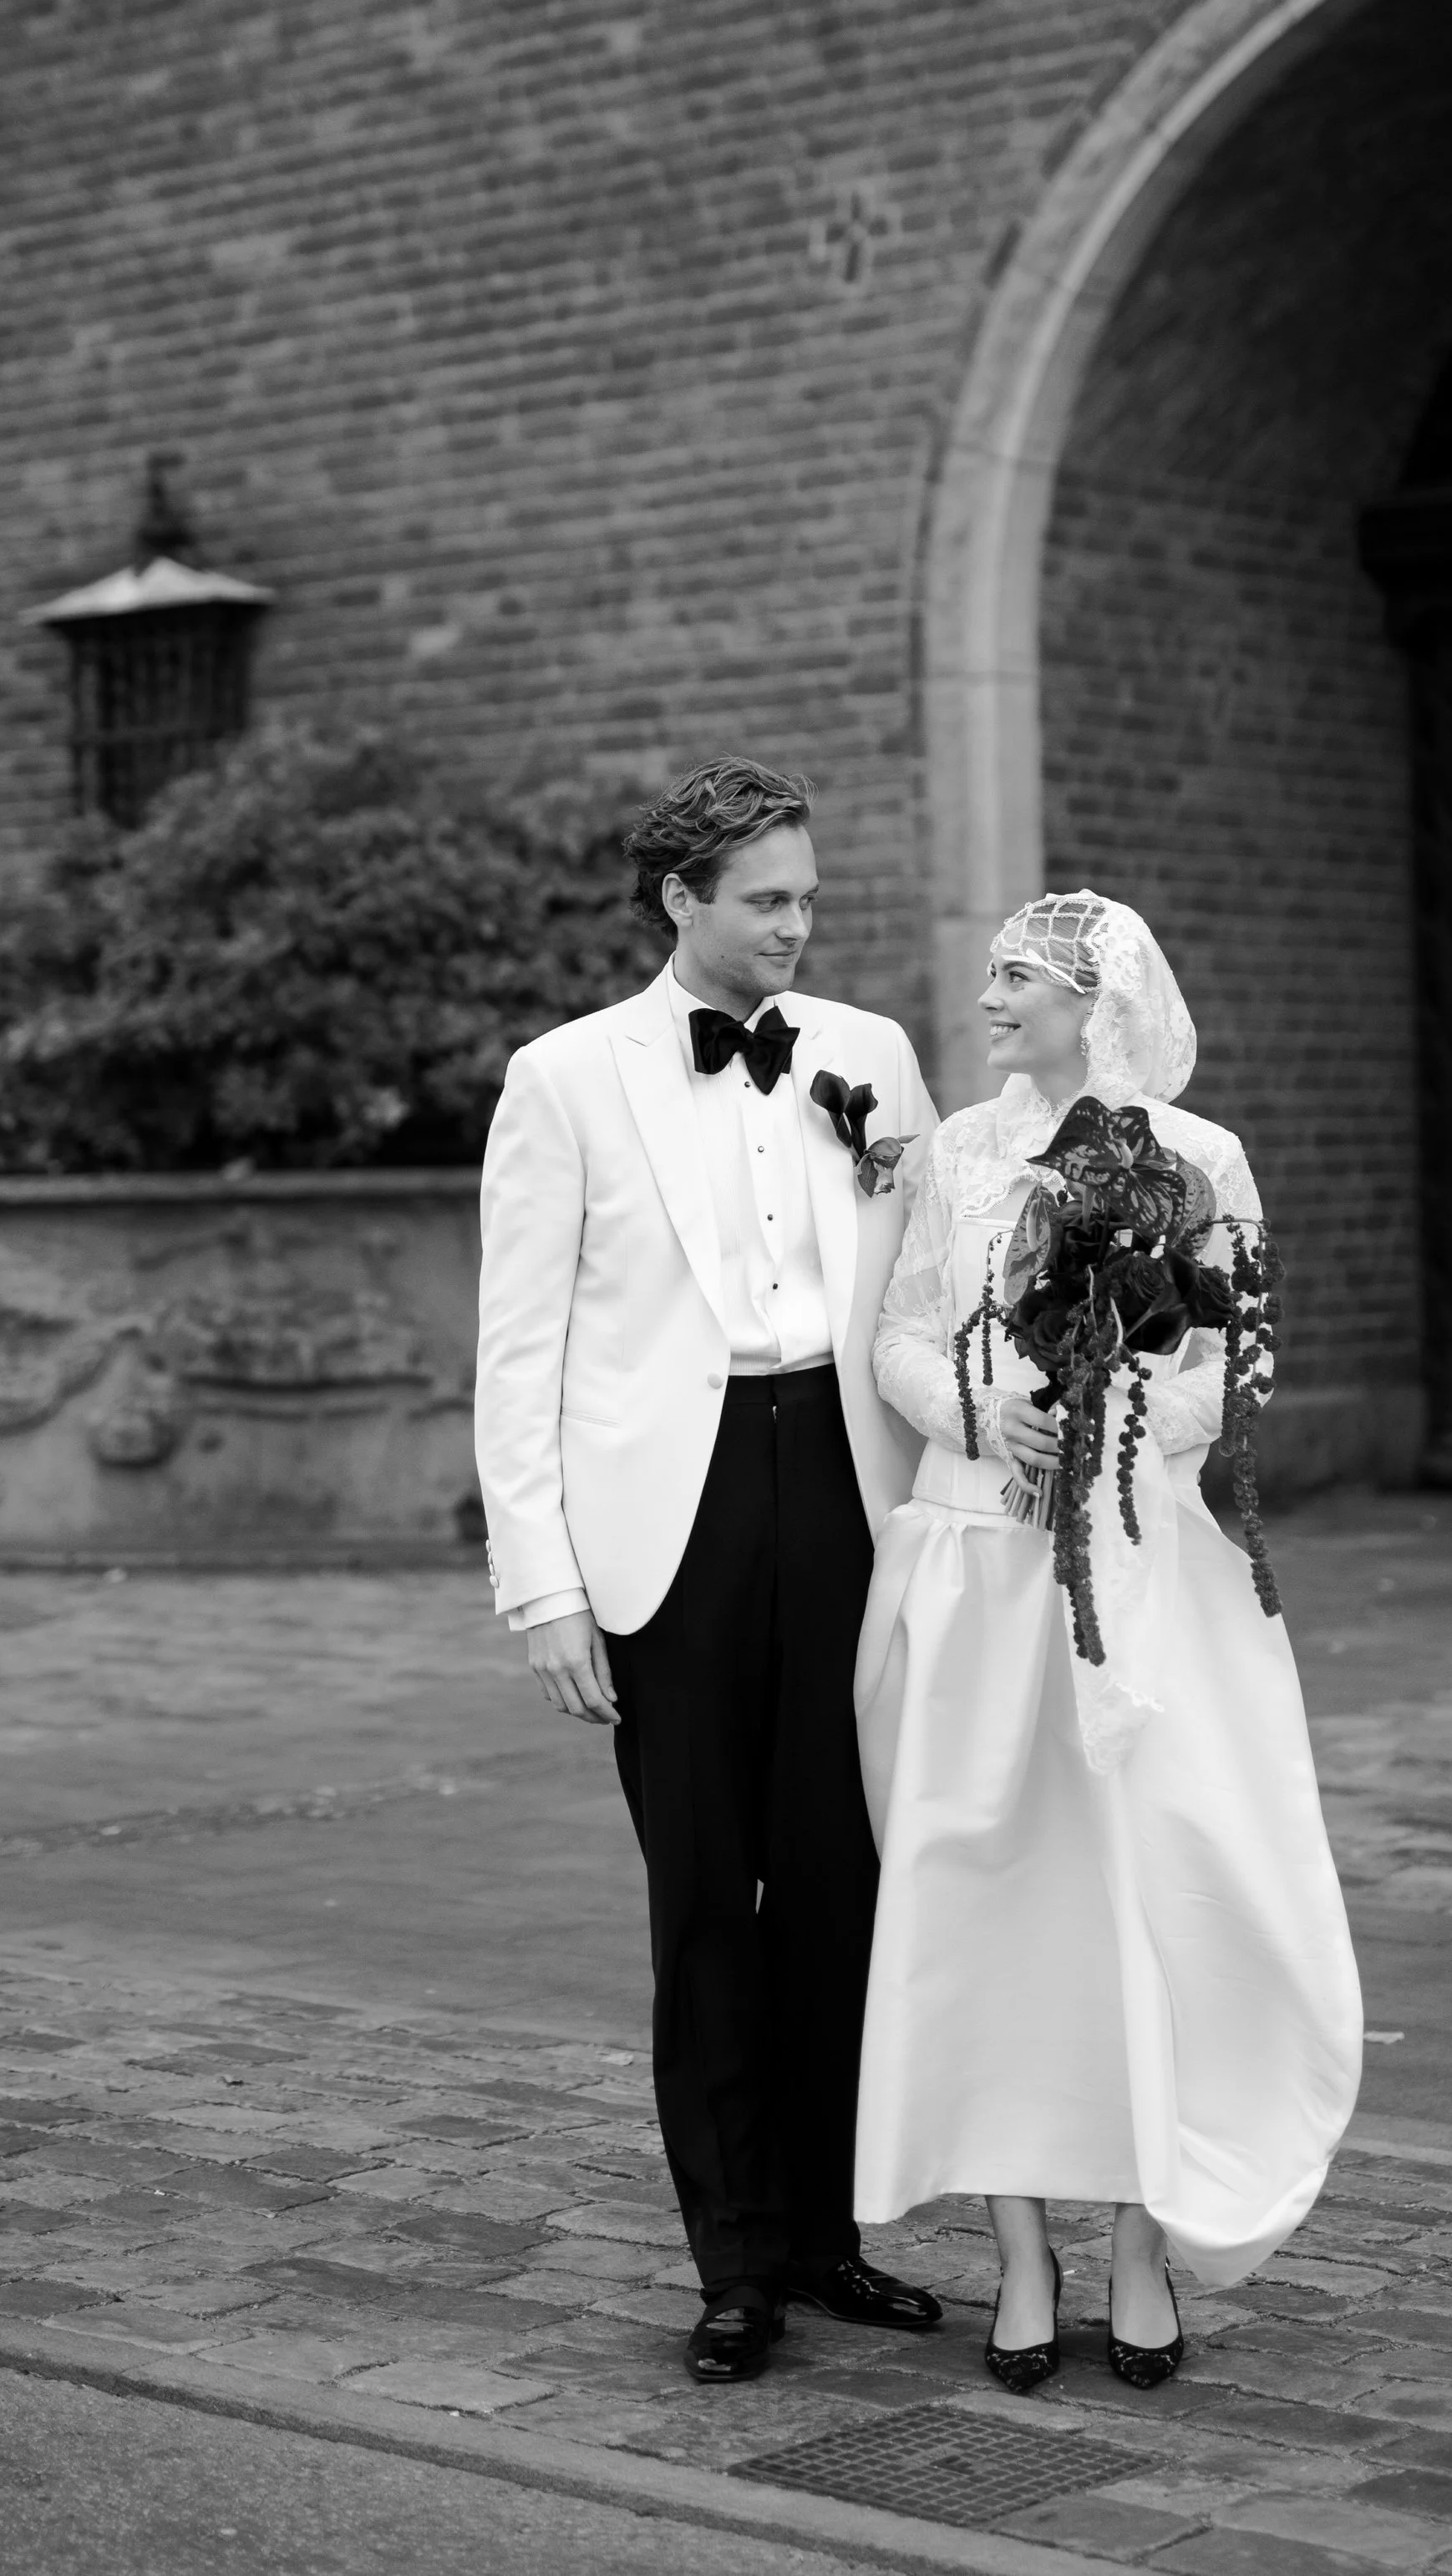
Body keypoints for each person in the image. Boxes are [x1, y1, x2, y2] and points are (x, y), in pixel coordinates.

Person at [854, 890, 1363, 2393]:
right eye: (995, 972)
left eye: (1018, 975)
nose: (989, 994)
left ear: (1096, 1000)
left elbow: (1237, 1359)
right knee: (981, 1900)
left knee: (1144, 1898)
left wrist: (1109, 1414)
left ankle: (1143, 2241)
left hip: (1131, 1574)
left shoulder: (1200, 1160)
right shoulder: (952, 1148)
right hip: (974, 1571)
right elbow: (898, 1333)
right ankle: (1021, 2252)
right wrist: (977, 1407)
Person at [475, 757, 944, 2383]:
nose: (796, 928)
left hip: (843, 1491)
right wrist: (539, 1585)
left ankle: (824, 2237)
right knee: (704, 1904)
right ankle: (732, 2263)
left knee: (843, 1885)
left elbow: (930, 1289)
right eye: (765, 901)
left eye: (807, 898)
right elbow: (516, 1348)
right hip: (657, 1528)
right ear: (679, 898)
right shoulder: (562, 1078)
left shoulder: (873, 1059)